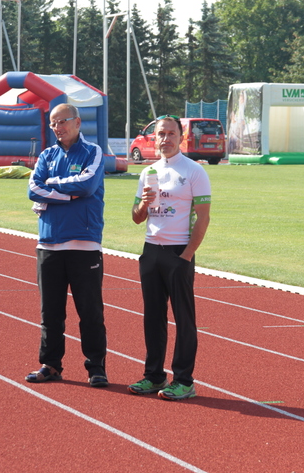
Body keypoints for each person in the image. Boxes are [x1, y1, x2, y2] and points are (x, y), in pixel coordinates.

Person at [128, 115, 211, 400]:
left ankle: (184, 381)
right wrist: (144, 203)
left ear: (181, 137)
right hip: (151, 250)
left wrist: (186, 256)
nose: (165, 139)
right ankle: (154, 376)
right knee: (153, 317)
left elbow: (203, 218)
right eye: (161, 134)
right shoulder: (148, 171)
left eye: (171, 133)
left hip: (179, 252)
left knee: (183, 319)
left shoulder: (194, 171)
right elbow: (137, 218)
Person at [26, 103, 108, 387]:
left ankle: (96, 368)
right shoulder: (46, 155)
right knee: (50, 313)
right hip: (48, 244)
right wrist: (67, 195)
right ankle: (51, 365)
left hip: (84, 244)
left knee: (90, 312)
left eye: (62, 121)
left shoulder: (93, 152)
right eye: (53, 123)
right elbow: (33, 189)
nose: (57, 128)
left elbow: (86, 186)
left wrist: (52, 187)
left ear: (77, 122)